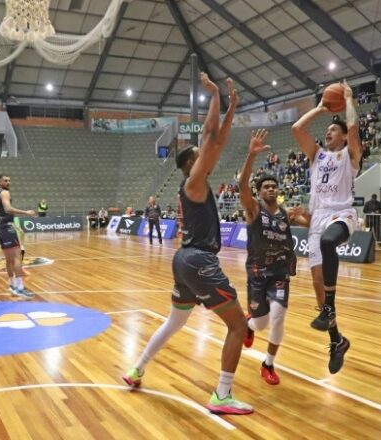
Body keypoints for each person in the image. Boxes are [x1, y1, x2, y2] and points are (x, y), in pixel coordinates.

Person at [122, 75, 254, 414]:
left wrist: (232, 107)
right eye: (200, 154)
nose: (207, 153)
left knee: (174, 322)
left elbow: (214, 139)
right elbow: (212, 138)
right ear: (191, 164)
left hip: (184, 260)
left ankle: (137, 369)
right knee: (238, 326)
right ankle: (222, 394)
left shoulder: (195, 181)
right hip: (198, 260)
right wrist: (214, 98)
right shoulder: (193, 182)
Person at [291, 80, 363, 373]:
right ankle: (337, 340)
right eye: (328, 130)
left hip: (342, 213)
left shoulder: (350, 155)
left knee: (328, 242)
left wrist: (348, 99)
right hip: (318, 218)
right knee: (318, 290)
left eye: (334, 129)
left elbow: (355, 129)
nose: (328, 132)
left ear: (344, 137)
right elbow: (297, 129)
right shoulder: (317, 155)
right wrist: (321, 107)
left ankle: (330, 309)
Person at [237, 129, 301, 385]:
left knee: (277, 318)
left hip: (280, 274)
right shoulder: (253, 210)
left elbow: (312, 222)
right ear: (260, 192)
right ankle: (248, 325)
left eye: (274, 186)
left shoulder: (286, 213)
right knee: (261, 324)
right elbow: (242, 185)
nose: (271, 189)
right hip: (256, 273)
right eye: (266, 186)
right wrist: (251, 155)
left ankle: (269, 364)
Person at [0, 175, 36, 299]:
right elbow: (7, 209)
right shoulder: (5, 193)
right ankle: (20, 288)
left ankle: (13, 285)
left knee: (9, 260)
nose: (8, 182)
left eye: (9, 180)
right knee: (17, 257)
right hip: (7, 229)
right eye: (5, 180)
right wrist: (26, 212)